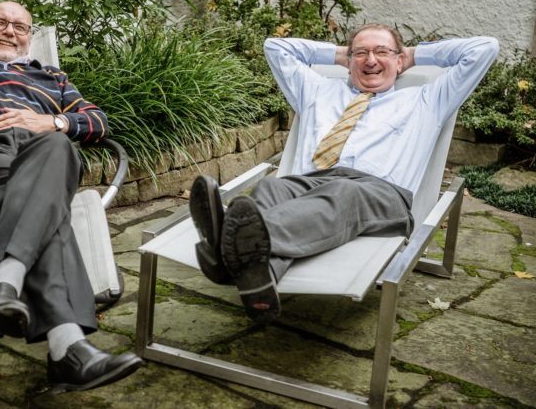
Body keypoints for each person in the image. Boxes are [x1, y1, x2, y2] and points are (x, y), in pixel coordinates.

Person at [189, 24, 499, 324]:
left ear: (399, 59)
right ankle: (256, 279)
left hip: (379, 193)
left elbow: (484, 49)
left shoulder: (428, 99)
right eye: (361, 53)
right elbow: (276, 47)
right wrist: (342, 54)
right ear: (348, 60)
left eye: (382, 52)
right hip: (309, 182)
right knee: (271, 190)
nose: (371, 60)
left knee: (342, 193)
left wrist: (412, 54)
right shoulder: (316, 90)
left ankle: (225, 243)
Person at [0, 0, 142, 392]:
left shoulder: (53, 77)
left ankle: (5, 286)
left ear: (32, 38)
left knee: (57, 144)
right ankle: (68, 348)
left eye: (20, 28)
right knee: (51, 214)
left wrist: (54, 122)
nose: (10, 32)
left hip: (41, 155)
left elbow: (98, 122)